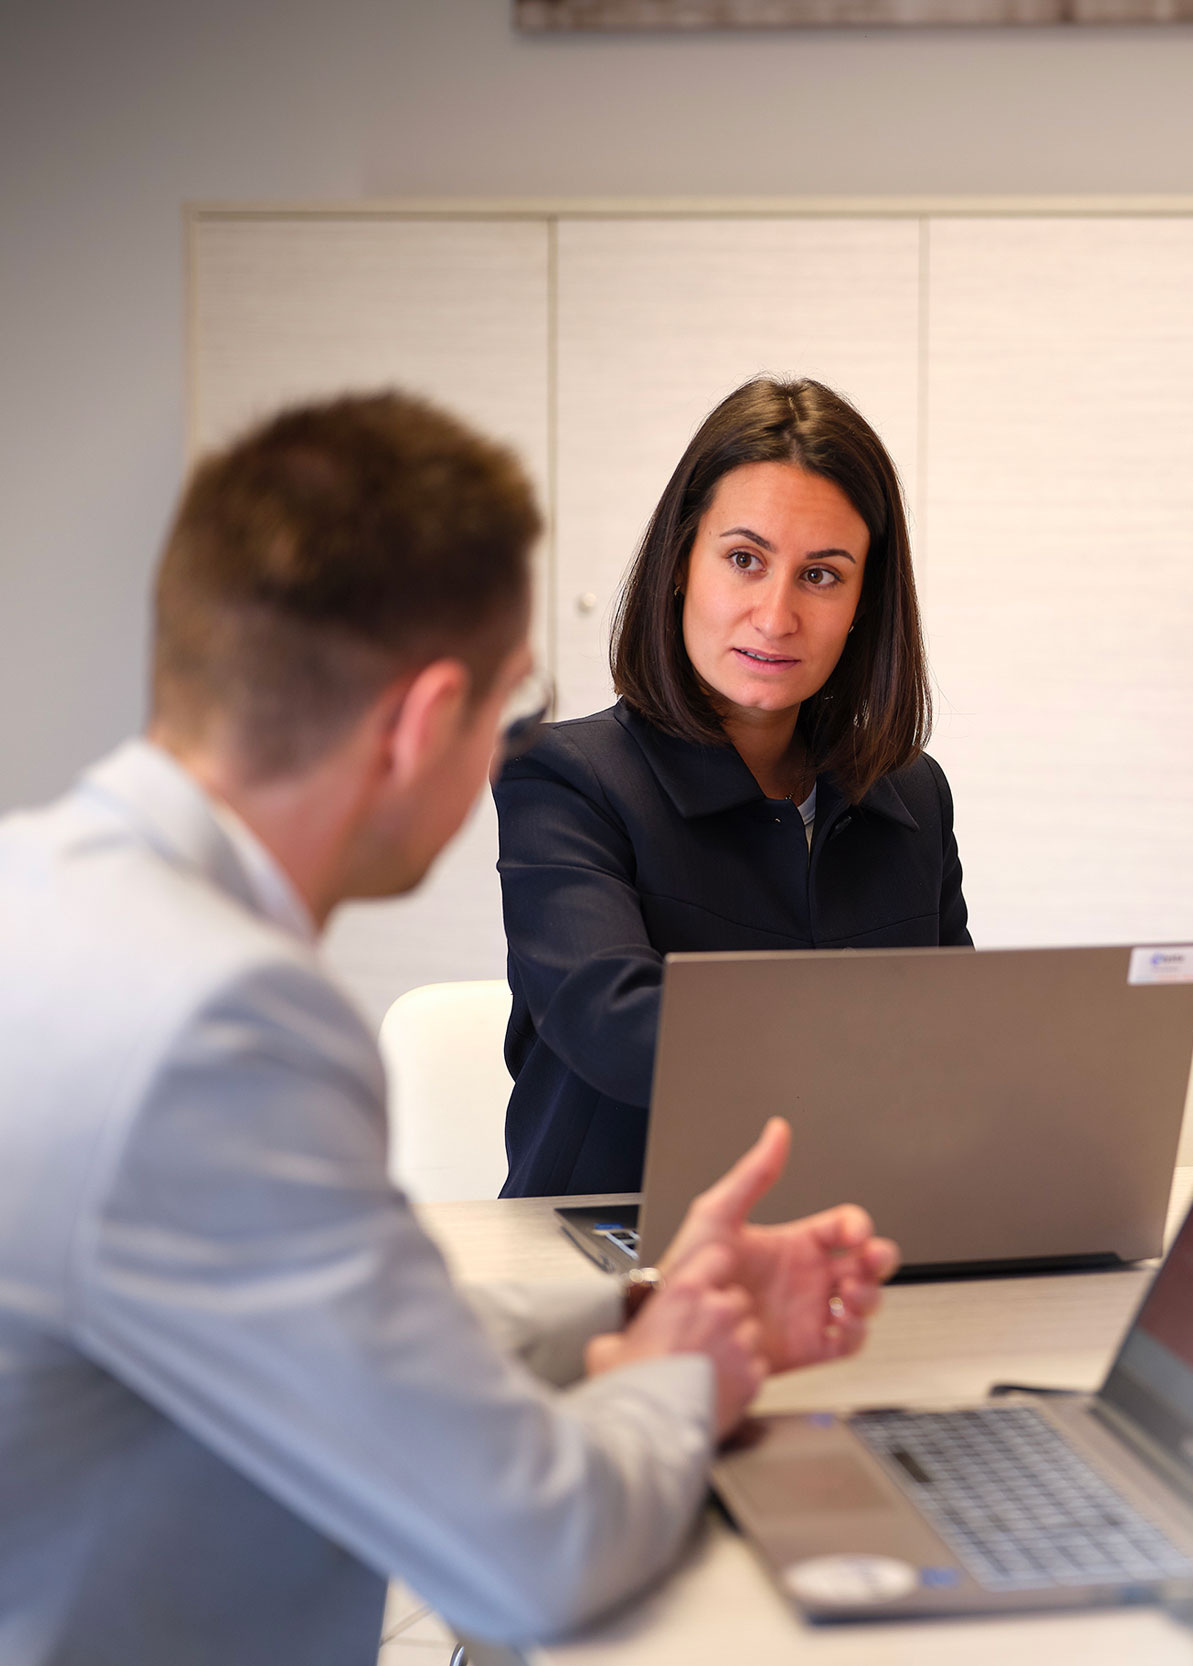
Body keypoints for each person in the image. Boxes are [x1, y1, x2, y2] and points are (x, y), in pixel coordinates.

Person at [0, 392, 899, 1665]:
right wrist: (684, 1375)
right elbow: (537, 1556)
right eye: (512, 695)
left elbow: (344, 1337)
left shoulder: (37, 890)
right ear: (430, 719)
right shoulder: (222, 1025)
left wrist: (648, 1313)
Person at [496, 377, 971, 1197]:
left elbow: (960, 1041)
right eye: (745, 560)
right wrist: (882, 1050)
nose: (776, 616)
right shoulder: (566, 778)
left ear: (864, 602)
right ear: (681, 564)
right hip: (619, 1234)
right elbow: (616, 1025)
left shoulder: (912, 794)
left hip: (851, 1227)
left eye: (821, 575)